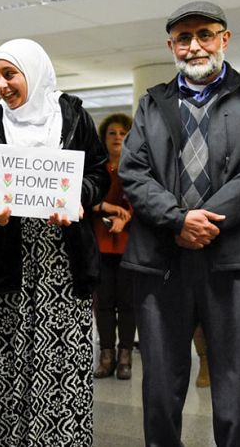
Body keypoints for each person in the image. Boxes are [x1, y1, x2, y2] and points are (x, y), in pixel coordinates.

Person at [118, 1, 240, 446]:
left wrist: (205, 220)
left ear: (224, 39)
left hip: (234, 261)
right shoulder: (152, 102)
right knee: (161, 384)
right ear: (171, 45)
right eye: (184, 38)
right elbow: (133, 171)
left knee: (239, 381)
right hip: (162, 260)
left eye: (205, 35)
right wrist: (178, 221)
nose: (195, 46)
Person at [0, 38, 109, 446]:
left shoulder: (74, 116)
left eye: (9, 75)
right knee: (11, 362)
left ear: (34, 72)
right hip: (9, 260)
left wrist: (79, 199)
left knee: (62, 362)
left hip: (64, 260)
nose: (2, 85)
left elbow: (99, 174)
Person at [91, 112, 135, 380]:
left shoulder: (137, 167)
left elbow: (144, 200)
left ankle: (125, 357)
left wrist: (125, 216)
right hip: (100, 245)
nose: (117, 137)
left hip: (130, 246)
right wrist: (109, 208)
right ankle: (106, 356)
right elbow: (85, 198)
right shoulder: (96, 169)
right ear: (104, 138)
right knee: (103, 304)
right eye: (112, 133)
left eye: (123, 133)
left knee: (128, 305)